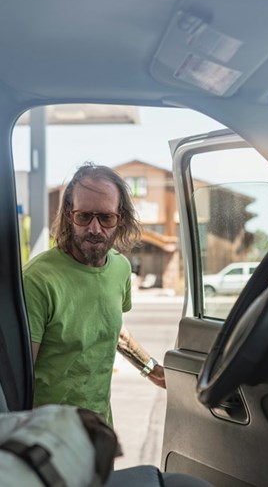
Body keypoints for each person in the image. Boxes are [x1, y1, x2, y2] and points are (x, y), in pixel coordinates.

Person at [23, 163, 166, 427]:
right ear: (68, 215)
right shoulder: (37, 279)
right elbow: (19, 374)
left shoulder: (120, 269)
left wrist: (151, 370)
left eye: (106, 218)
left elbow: (114, 331)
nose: (95, 229)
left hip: (99, 429)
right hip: (48, 438)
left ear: (119, 219)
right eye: (84, 216)